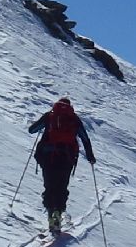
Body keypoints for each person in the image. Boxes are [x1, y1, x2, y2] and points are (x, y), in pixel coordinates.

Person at [27, 98, 97, 235]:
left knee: (50, 187)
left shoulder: (50, 115)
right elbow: (85, 138)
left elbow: (32, 130)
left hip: (47, 157)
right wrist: (90, 157)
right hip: (66, 158)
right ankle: (57, 215)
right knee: (61, 188)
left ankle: (51, 216)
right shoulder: (74, 119)